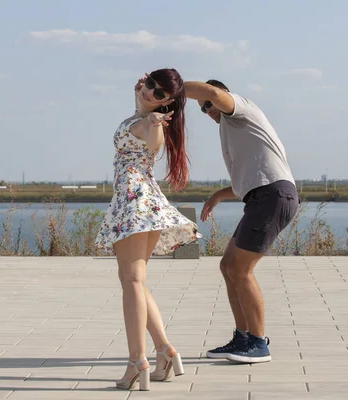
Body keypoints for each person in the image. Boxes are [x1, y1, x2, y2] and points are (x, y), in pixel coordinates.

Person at [95, 68, 200, 390]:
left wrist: (154, 123)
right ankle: (164, 350)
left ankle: (136, 361)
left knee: (132, 283)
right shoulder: (140, 114)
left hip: (135, 204)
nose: (148, 93)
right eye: (149, 85)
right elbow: (141, 108)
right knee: (136, 282)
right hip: (144, 203)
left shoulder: (149, 123)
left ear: (168, 103)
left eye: (158, 93)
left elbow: (153, 145)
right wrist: (142, 95)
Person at [184, 79, 299, 363]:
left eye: (209, 105)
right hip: (263, 196)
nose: (208, 110)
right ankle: (243, 337)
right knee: (228, 266)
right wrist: (217, 196)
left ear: (223, 96)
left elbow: (211, 92)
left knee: (241, 270)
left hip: (272, 196)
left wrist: (169, 88)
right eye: (202, 109)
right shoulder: (234, 130)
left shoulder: (241, 109)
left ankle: (258, 343)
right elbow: (248, 181)